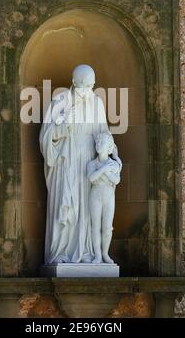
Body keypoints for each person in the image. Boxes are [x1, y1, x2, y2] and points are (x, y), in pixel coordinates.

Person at [40, 64, 110, 264]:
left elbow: (104, 133)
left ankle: (87, 252)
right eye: (83, 86)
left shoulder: (97, 103)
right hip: (67, 158)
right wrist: (63, 128)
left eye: (91, 86)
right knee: (67, 202)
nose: (87, 90)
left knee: (88, 207)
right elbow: (45, 137)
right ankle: (61, 252)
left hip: (89, 160)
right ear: (74, 83)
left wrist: (112, 153)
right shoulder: (60, 102)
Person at [87, 133, 122, 264]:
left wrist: (104, 170)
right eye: (97, 142)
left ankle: (105, 254)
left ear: (109, 147)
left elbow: (116, 180)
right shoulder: (91, 164)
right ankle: (97, 255)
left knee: (107, 227)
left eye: (102, 143)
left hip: (108, 197)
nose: (98, 145)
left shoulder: (114, 164)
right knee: (95, 226)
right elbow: (91, 178)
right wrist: (105, 169)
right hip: (95, 196)